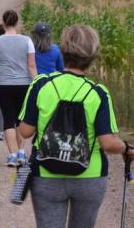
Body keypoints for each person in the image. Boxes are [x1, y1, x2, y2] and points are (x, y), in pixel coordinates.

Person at [18, 25, 134, 228]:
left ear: (62, 51)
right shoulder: (99, 92)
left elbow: (25, 132)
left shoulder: (41, 84)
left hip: (46, 174)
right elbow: (108, 143)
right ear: (93, 55)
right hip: (89, 176)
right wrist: (127, 148)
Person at [0, 10, 37, 166]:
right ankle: (22, 153)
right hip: (24, 84)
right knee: (21, 119)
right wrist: (37, 83)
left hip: (3, 84)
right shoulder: (27, 41)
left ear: (3, 22)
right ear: (17, 22)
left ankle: (12, 155)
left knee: (8, 119)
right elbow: (31, 65)